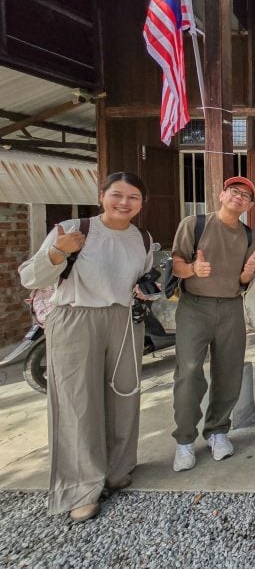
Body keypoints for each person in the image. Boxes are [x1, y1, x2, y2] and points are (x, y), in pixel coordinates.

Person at [19, 173, 153, 521]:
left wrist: (144, 289)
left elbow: (143, 278)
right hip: (77, 316)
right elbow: (30, 278)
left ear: (142, 202)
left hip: (124, 319)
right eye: (117, 195)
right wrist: (57, 252)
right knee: (78, 401)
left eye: (133, 197)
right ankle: (80, 487)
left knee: (124, 394)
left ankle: (117, 469)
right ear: (102, 196)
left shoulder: (143, 237)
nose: (124, 203)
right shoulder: (74, 228)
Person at [170, 176, 255, 473]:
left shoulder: (249, 235)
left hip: (231, 306)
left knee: (229, 371)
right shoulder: (194, 224)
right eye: (234, 192)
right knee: (189, 371)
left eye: (246, 196)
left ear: (249, 205)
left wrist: (248, 273)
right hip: (194, 306)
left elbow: (244, 280)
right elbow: (177, 264)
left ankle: (218, 431)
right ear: (222, 195)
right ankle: (184, 439)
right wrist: (193, 268)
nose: (239, 198)